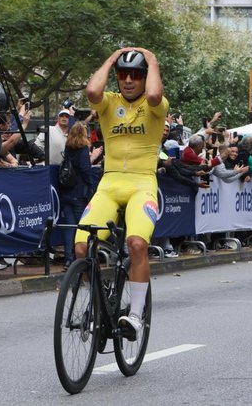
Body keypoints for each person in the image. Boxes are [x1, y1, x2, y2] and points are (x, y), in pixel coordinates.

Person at [77, 47, 168, 339]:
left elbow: (153, 95)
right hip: (109, 184)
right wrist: (112, 58)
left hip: (142, 184)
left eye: (136, 75)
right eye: (123, 74)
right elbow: (92, 90)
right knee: (81, 248)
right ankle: (98, 299)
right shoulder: (109, 102)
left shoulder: (155, 106)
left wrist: (151, 60)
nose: (129, 80)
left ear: (145, 77)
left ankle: (136, 315)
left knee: (137, 244)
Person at [60, 121, 94, 270]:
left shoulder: (68, 147)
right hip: (79, 191)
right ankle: (79, 258)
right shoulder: (83, 148)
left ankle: (68, 258)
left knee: (69, 226)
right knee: (81, 227)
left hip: (66, 189)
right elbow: (85, 169)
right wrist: (90, 184)